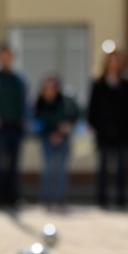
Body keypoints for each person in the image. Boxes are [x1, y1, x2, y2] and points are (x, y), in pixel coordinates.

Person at [0, 45, 30, 209]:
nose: (5, 58)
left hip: (16, 126)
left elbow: (25, 102)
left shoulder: (19, 78)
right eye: (2, 55)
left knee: (14, 164)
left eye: (8, 55)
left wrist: (25, 120)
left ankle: (13, 198)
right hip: (0, 127)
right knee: (0, 164)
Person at [88, 50, 128, 209]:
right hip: (103, 132)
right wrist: (94, 125)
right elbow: (93, 108)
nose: (114, 62)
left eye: (116, 59)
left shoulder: (127, 82)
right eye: (111, 59)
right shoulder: (98, 83)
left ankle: (121, 200)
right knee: (103, 166)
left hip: (122, 132)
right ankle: (102, 200)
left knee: (122, 167)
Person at [34, 76, 80, 210]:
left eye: (52, 87)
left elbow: (74, 115)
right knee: (48, 168)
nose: (50, 91)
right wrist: (50, 134)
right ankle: (46, 199)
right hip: (47, 139)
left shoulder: (66, 102)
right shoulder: (40, 102)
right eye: (47, 88)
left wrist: (64, 130)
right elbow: (38, 122)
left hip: (63, 139)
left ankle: (61, 199)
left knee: (61, 169)